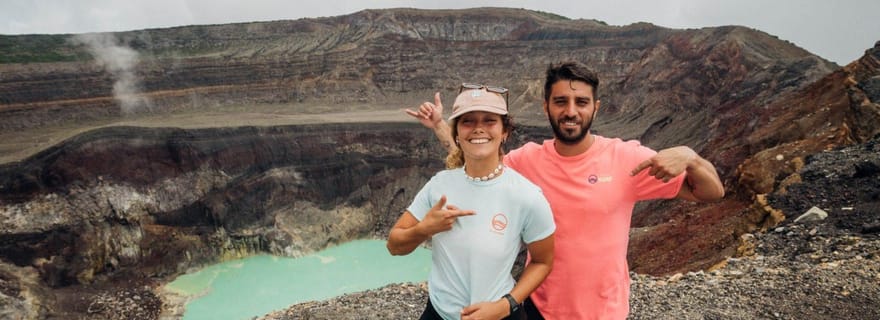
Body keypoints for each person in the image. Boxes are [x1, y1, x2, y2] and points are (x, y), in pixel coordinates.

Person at [406, 62, 725, 319]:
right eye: (561, 101)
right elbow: (476, 159)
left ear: (595, 108)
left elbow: (709, 193)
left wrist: (692, 157)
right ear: (546, 107)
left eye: (581, 102)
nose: (571, 111)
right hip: (538, 308)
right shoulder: (526, 161)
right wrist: (440, 127)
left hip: (605, 312)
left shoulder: (626, 158)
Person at [388, 83, 557, 320]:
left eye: (489, 120)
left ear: (504, 132)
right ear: (457, 132)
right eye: (468, 121)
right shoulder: (439, 185)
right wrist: (425, 228)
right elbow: (394, 245)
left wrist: (506, 305)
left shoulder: (527, 196)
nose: (479, 129)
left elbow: (543, 261)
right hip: (439, 313)